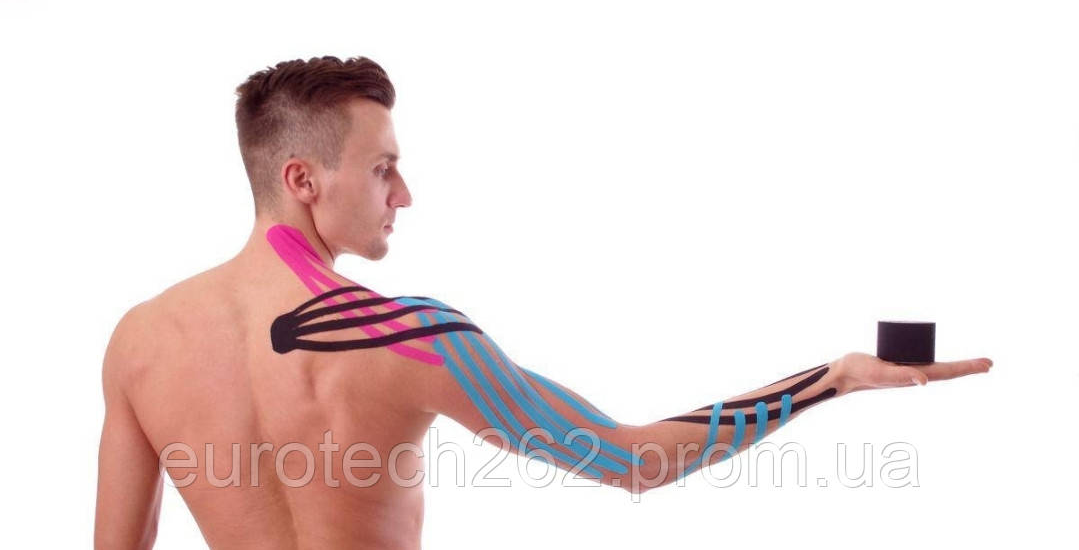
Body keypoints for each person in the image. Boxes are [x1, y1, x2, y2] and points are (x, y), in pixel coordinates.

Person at [93, 55, 993, 549]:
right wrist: (831, 378)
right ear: (303, 178)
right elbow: (633, 460)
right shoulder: (408, 337)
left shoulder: (142, 342)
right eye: (382, 168)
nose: (403, 194)